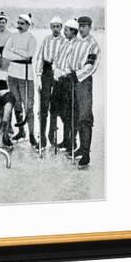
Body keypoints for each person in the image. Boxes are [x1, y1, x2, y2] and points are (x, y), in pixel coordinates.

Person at [67, 16, 101, 168]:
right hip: (72, 80)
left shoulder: (93, 44)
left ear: (90, 27)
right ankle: (81, 146)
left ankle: (86, 153)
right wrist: (68, 72)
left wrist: (77, 75)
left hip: (84, 82)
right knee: (75, 114)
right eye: (80, 26)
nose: (81, 29)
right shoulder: (77, 42)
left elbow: (91, 66)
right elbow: (70, 59)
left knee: (85, 116)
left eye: (84, 26)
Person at [3, 13, 37, 145]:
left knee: (28, 106)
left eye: (22, 23)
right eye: (18, 23)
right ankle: (21, 131)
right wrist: (19, 55)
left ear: (28, 25)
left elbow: (29, 55)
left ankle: (32, 134)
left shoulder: (31, 38)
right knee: (16, 104)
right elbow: (5, 54)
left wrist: (15, 51)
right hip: (12, 74)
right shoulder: (13, 37)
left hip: (26, 76)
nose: (19, 26)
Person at [35, 16, 64, 148]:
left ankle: (52, 133)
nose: (56, 29)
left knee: (55, 105)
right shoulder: (46, 39)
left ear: (61, 28)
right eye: (53, 26)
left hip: (58, 72)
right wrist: (38, 74)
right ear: (51, 27)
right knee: (43, 105)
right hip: (46, 71)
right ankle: (42, 137)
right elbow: (40, 57)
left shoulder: (64, 41)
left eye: (58, 26)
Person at [51, 19, 80, 153]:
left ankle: (72, 141)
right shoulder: (65, 43)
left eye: (67, 30)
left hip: (69, 82)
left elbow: (73, 64)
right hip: (59, 81)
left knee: (70, 112)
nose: (64, 32)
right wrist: (55, 71)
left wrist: (64, 73)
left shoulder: (77, 45)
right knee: (60, 111)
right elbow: (57, 59)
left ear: (73, 32)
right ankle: (66, 140)